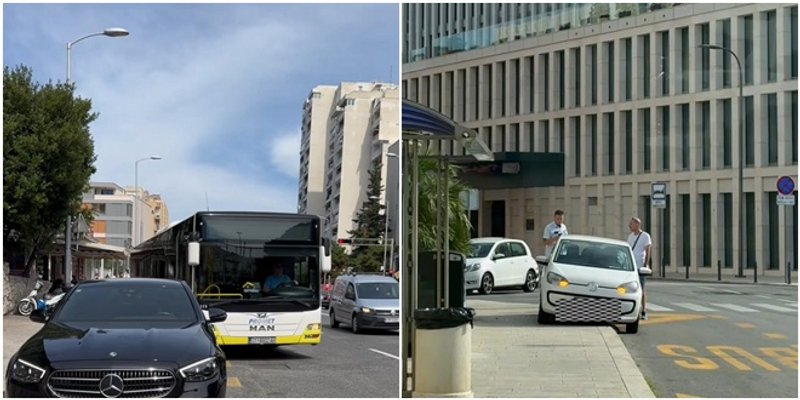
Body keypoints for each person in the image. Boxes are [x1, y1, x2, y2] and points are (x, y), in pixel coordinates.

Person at [627, 217, 652, 320]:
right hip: (631, 266)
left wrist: (645, 264)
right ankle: (633, 309)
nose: (629, 226)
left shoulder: (645, 236)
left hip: (640, 266)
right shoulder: (630, 236)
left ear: (637, 224)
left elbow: (648, 250)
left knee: (641, 288)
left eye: (631, 224)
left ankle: (644, 311)